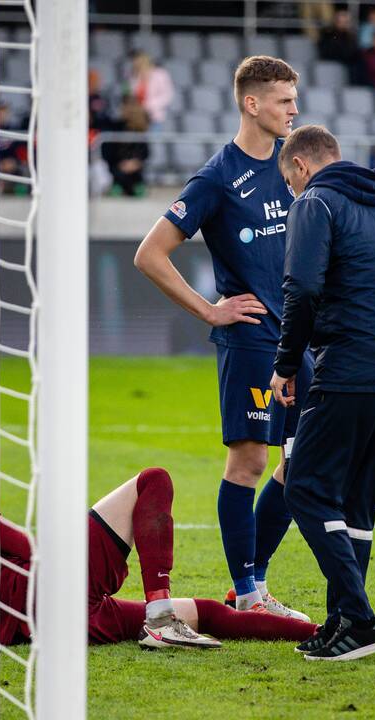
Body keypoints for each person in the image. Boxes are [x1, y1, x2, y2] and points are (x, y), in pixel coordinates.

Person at [0, 427, 375, 648]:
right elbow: (27, 549)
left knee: (204, 611)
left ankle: (323, 631)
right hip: (51, 595)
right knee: (153, 479)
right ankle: (160, 616)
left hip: (54, 620)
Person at [133, 56, 314, 621]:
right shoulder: (217, 177)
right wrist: (210, 311)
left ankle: (248, 587)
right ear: (251, 103)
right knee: (250, 462)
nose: (294, 110)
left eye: (294, 99)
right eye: (284, 100)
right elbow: (150, 254)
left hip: (299, 341)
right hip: (251, 341)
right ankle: (250, 590)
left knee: (302, 459)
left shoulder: (295, 167)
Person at [270, 124, 375, 661]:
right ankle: (341, 620)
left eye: (289, 183)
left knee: (306, 487)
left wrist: (286, 364)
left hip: (349, 370)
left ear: (299, 167)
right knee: (359, 497)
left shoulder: (315, 204)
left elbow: (303, 288)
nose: (292, 192)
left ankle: (360, 621)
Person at [127, 51, 175, 130]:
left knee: (153, 140)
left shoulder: (160, 74)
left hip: (154, 117)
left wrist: (148, 105)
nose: (137, 63)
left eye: (139, 60)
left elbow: (167, 95)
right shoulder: (132, 77)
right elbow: (130, 94)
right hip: (136, 118)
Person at [317, 9, 362, 84]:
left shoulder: (351, 36)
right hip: (332, 64)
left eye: (346, 22)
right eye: (340, 22)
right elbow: (327, 52)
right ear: (335, 22)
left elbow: (355, 53)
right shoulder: (328, 34)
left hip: (349, 65)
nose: (343, 24)